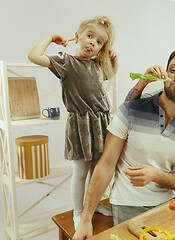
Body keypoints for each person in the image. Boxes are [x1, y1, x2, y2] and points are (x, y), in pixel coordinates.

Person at [72, 48, 175, 240]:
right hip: (128, 205)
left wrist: (156, 175)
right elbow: (106, 165)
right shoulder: (130, 110)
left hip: (169, 204)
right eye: (173, 70)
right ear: (165, 74)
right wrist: (85, 219)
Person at [27, 16, 118, 229]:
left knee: (97, 169)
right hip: (82, 125)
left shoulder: (97, 65)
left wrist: (114, 60)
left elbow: (111, 74)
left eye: (98, 42)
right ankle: (78, 212)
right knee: (81, 171)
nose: (92, 43)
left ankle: (92, 205)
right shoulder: (66, 62)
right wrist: (51, 38)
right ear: (77, 37)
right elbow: (33, 55)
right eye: (89, 36)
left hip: (102, 123)